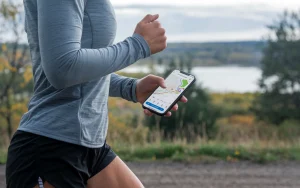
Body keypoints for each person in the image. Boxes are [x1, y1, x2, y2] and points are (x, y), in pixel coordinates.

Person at [5, 0, 188, 187]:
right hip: (50, 147)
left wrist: (131, 88)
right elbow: (62, 69)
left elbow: (78, 73)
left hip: (91, 145)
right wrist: (138, 46)